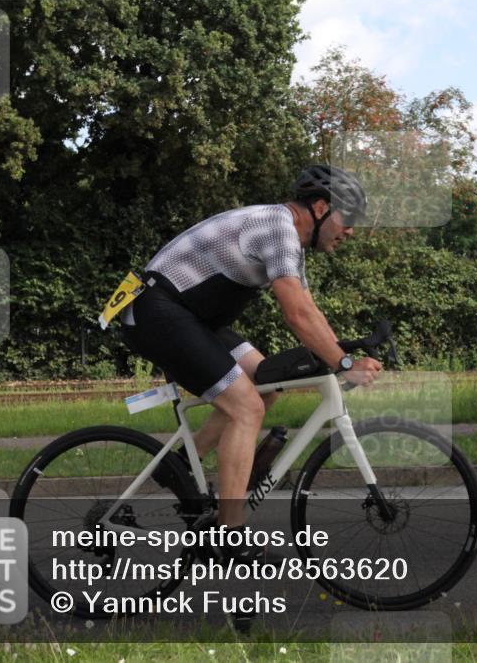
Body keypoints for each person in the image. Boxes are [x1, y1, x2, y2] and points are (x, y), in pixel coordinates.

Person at [119, 164, 382, 561]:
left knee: (267, 382)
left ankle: (179, 470)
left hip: (188, 316)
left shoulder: (287, 236)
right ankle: (229, 536)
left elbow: (308, 312)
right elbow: (296, 315)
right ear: (323, 206)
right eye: (350, 220)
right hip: (158, 311)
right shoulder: (279, 228)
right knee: (246, 407)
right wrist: (344, 364)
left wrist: (339, 351)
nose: (351, 232)